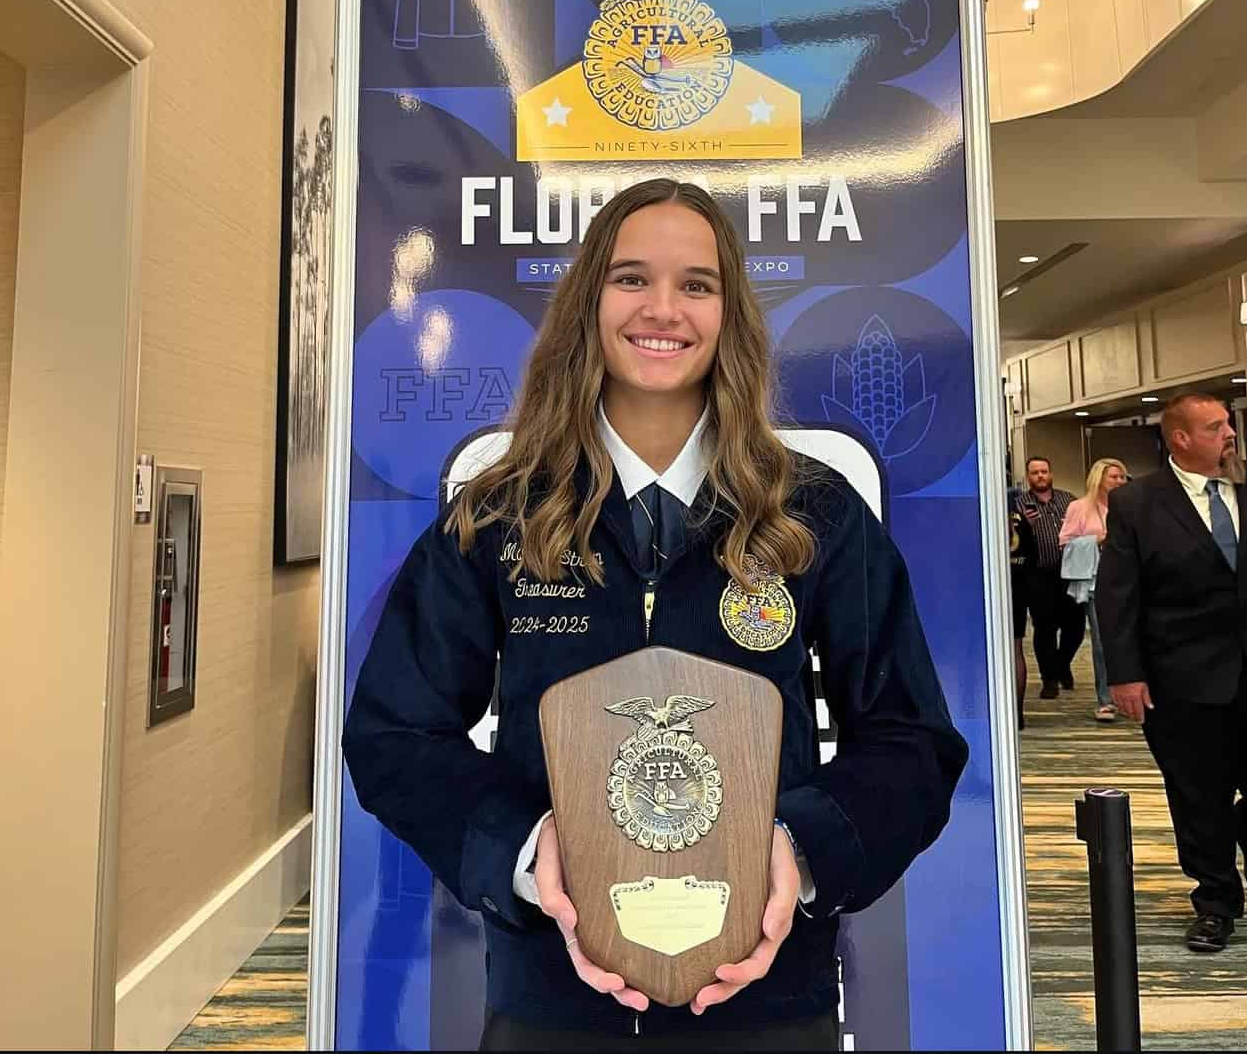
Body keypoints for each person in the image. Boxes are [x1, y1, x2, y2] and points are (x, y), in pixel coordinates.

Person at [342, 179, 968, 1050]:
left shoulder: (813, 514)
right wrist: (528, 850)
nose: (663, 308)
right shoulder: (499, 517)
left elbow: (913, 738)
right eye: (632, 278)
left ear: (730, 313)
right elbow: (393, 732)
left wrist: (797, 849)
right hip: (551, 993)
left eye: (697, 284)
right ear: (590, 299)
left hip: (763, 992)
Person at [1097, 393, 1247, 953]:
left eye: (1228, 425)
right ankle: (1215, 901)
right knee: (1197, 793)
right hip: (1183, 676)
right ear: (1180, 438)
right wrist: (1124, 674)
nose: (1230, 434)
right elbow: (1118, 595)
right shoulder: (1138, 503)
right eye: (1215, 427)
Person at [1058, 458, 1128, 722]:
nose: (1121, 482)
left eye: (1123, 477)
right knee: (1102, 641)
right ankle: (1106, 699)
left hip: (1131, 580)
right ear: (1099, 479)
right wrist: (1097, 540)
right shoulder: (1079, 507)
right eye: (1115, 477)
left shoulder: (1132, 506)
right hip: (1097, 581)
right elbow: (1065, 542)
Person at [1015, 457, 1085, 699]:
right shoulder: (1019, 504)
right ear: (1028, 476)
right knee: (1044, 628)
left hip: (1071, 572)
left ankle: (1061, 664)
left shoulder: (1069, 500)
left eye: (1044, 471)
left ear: (1051, 473)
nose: (1040, 476)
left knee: (1075, 627)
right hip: (1038, 575)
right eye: (1035, 472)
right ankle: (1049, 679)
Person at [1007, 485, 1035, 729]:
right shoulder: (1023, 516)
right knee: (1016, 648)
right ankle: (1017, 712)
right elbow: (1033, 554)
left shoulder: (977, 512)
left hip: (984, 584)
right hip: (1018, 584)